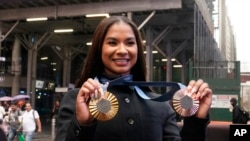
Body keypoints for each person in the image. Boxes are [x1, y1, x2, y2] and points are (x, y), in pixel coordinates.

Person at [55, 16, 213, 141]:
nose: (122, 50)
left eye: (130, 43)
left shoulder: (161, 106)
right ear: (99, 48)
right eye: (112, 42)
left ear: (138, 49)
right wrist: (83, 124)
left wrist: (195, 121)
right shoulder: (78, 100)